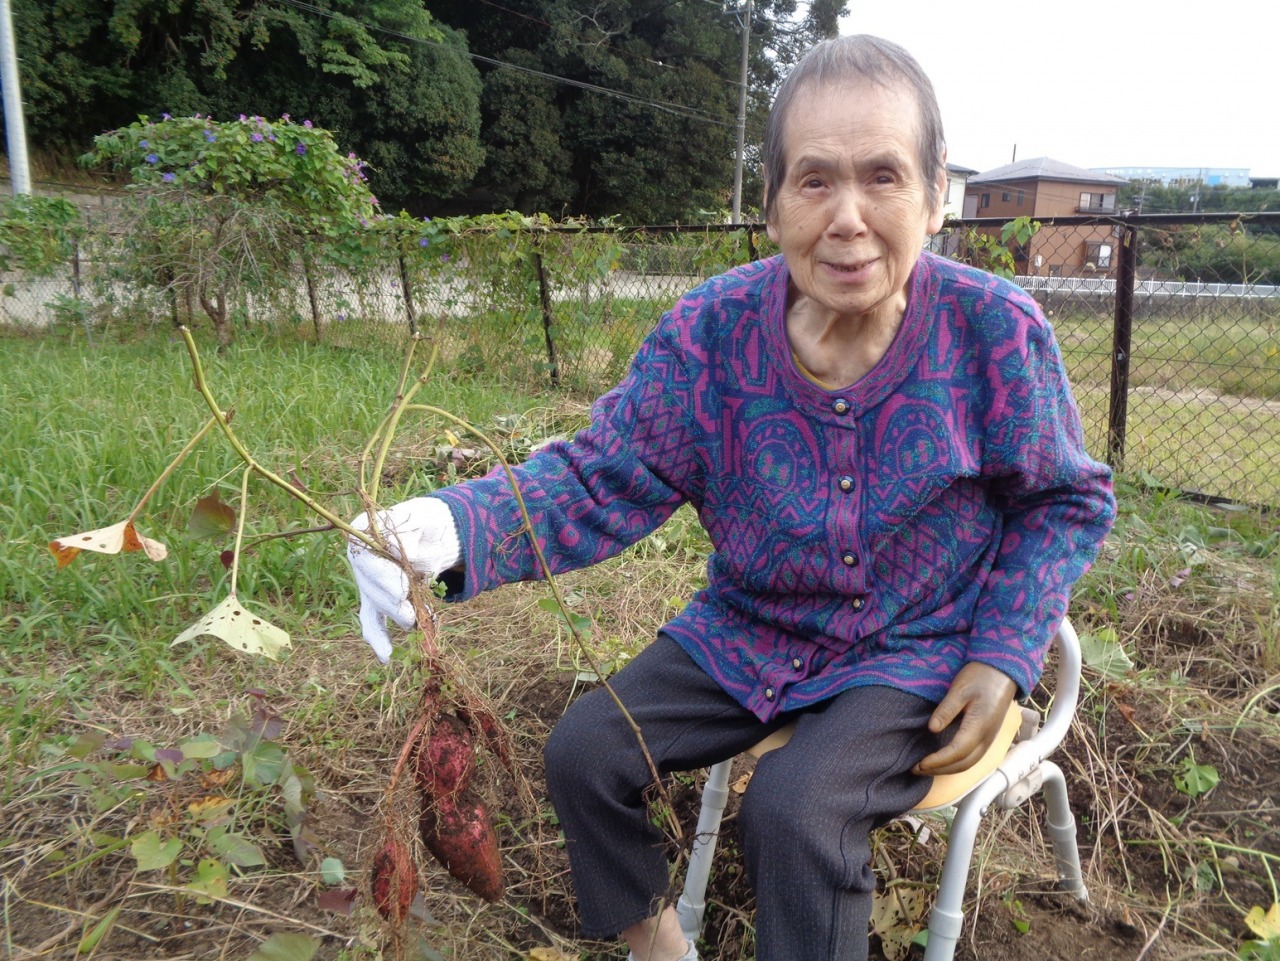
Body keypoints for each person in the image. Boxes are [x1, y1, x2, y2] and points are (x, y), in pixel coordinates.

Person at [347, 34, 1117, 961]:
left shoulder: (993, 330)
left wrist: (1001, 654)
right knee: (585, 751)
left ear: (934, 193)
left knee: (795, 808)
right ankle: (659, 947)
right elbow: (602, 472)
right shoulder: (711, 333)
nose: (848, 218)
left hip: (917, 643)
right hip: (752, 628)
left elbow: (1062, 501)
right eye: (814, 180)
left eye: (883, 176)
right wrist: (449, 526)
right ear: (772, 201)